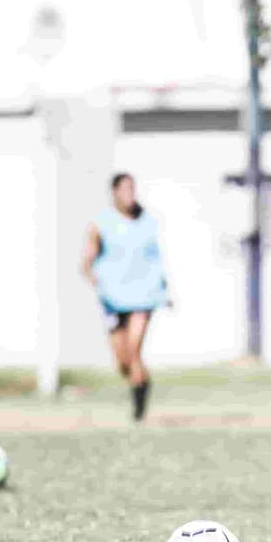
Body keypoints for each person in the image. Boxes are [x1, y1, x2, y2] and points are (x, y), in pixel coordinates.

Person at [81, 173, 169, 421]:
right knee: (122, 362)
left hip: (144, 296)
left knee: (134, 350)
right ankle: (141, 383)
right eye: (124, 189)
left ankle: (138, 411)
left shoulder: (147, 221)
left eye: (133, 188)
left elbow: (155, 258)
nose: (130, 194)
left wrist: (164, 289)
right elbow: (88, 257)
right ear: (115, 192)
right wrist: (91, 275)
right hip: (113, 298)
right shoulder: (101, 223)